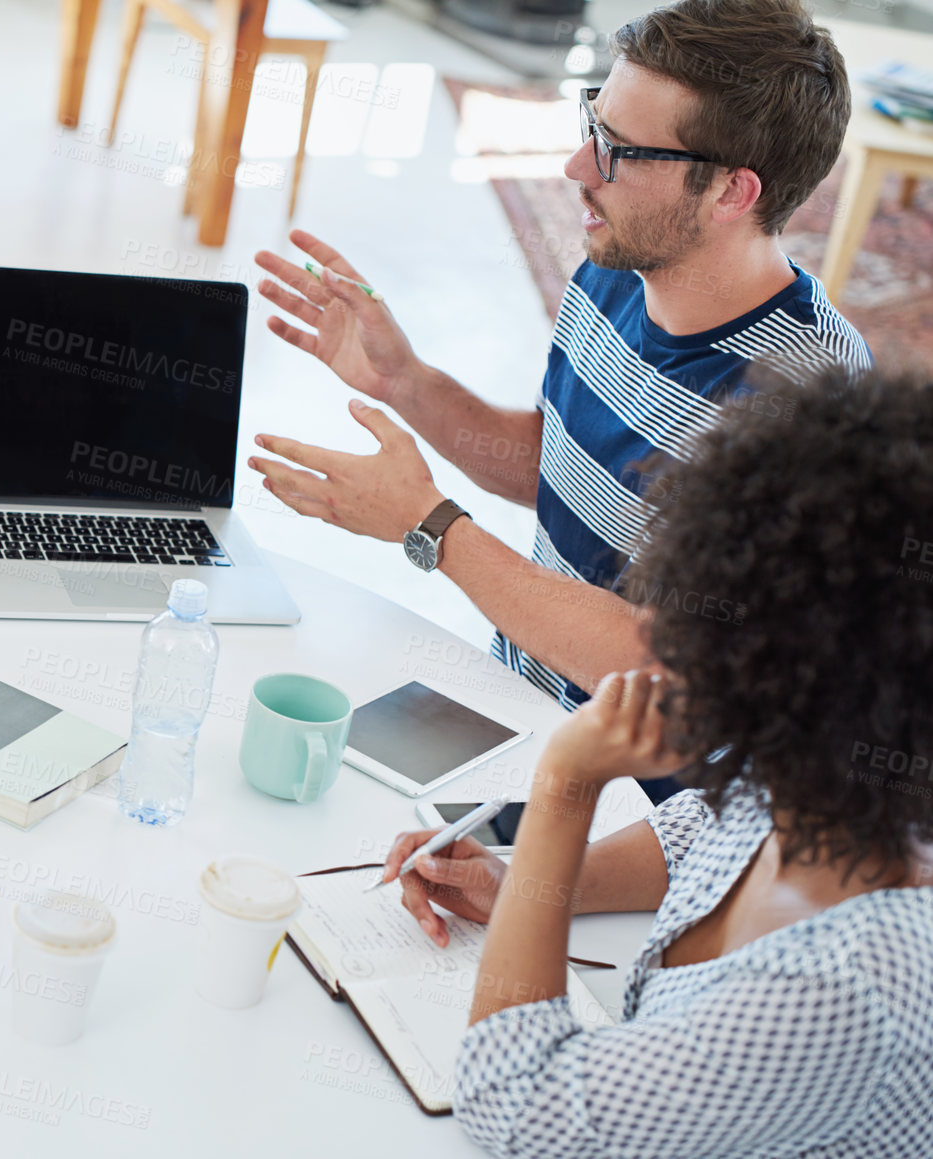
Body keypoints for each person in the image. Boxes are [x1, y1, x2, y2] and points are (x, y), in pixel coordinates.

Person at [247, 0, 869, 797]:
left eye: (618, 150)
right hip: (519, 712)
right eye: (590, 124)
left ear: (728, 193)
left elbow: (666, 666)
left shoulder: (808, 406)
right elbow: (554, 460)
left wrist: (430, 527)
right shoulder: (617, 268)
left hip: (638, 804)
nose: (576, 168)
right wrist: (404, 380)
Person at [377, 366, 933, 1157]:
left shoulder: (838, 991)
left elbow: (512, 1107)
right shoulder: (830, 771)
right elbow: (702, 831)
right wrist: (523, 890)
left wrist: (566, 787)